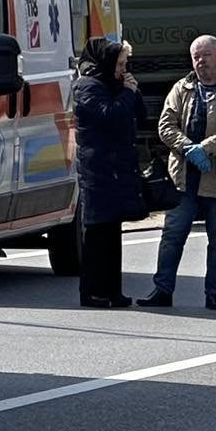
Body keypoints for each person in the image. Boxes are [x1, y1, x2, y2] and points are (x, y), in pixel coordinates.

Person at [142, 34, 216, 310]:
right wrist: (187, 147)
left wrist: (205, 149)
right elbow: (166, 125)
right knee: (172, 236)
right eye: (196, 56)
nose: (200, 61)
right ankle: (162, 289)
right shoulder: (182, 87)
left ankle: (214, 293)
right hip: (183, 179)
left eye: (205, 55)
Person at [72, 39, 145, 308]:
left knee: (113, 233)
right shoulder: (87, 86)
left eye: (126, 65)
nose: (123, 70)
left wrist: (131, 91)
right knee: (96, 234)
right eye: (120, 64)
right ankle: (93, 292)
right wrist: (126, 92)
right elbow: (108, 115)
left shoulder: (113, 85)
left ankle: (113, 290)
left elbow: (137, 113)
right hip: (97, 170)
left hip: (116, 168)